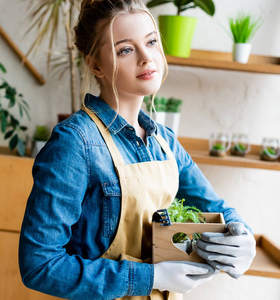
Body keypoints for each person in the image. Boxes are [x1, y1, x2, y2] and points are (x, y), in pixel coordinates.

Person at [18, 0, 256, 299]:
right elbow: (39, 265)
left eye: (152, 42)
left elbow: (215, 209)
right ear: (95, 65)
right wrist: (151, 276)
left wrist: (242, 236)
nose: (147, 58)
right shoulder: (75, 143)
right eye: (125, 50)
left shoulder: (164, 142)